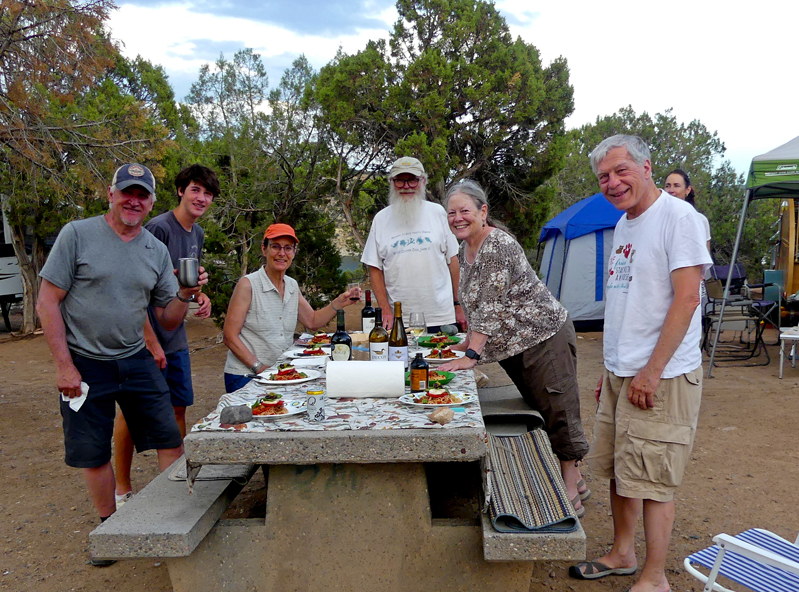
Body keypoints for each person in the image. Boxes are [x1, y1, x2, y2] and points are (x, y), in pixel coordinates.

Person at [37, 162, 208, 566]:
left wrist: (184, 294)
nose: (134, 200)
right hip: (85, 362)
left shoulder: (155, 249)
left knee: (170, 440)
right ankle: (109, 526)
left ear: (150, 203)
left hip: (135, 357)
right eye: (127, 192)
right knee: (93, 453)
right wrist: (64, 366)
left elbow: (166, 317)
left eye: (142, 194)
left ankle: (173, 522)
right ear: (111, 194)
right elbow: (47, 301)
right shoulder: (77, 235)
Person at [569, 135, 710, 592]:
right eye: (604, 177)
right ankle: (622, 553)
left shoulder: (680, 218)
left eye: (621, 171)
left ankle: (655, 577)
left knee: (652, 478)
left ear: (646, 166)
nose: (613, 183)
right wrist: (614, 368)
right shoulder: (626, 225)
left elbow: (687, 299)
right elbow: (630, 302)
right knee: (618, 471)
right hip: (623, 372)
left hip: (662, 376)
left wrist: (651, 372)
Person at [436, 180, 590, 513]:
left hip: (542, 335)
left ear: (483, 211)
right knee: (543, 406)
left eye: (465, 211)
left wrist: (472, 356)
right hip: (516, 345)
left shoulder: (496, 245)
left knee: (558, 408)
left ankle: (569, 489)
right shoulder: (468, 249)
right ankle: (576, 478)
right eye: (452, 212)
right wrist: (465, 344)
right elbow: (477, 307)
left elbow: (492, 305)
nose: (458, 218)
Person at [111, 164, 218, 509]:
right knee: (131, 413)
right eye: (195, 190)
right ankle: (122, 489)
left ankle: (173, 485)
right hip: (143, 339)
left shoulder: (196, 233)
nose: (201, 198)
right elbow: (134, 289)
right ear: (180, 191)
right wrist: (150, 340)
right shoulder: (158, 228)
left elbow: (181, 284)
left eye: (207, 193)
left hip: (175, 337)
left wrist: (201, 295)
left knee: (177, 408)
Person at [222, 223, 360, 393]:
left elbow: (312, 321)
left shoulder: (292, 285)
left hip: (279, 375)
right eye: (275, 247)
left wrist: (339, 302)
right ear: (264, 250)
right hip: (246, 376)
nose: (282, 253)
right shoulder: (248, 285)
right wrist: (259, 367)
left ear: (294, 253)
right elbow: (229, 336)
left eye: (288, 248)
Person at [361, 156, 465, 332]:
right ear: (391, 182)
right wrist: (385, 309)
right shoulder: (381, 219)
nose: (406, 187)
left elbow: (453, 261)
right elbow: (375, 269)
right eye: (400, 181)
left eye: (412, 181)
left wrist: (458, 304)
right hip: (399, 320)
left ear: (423, 181)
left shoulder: (438, 212)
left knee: (446, 359)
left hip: (441, 316)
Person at [663, 168, 712, 252]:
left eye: (676, 186)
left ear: (687, 190)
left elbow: (704, 255)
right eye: (668, 186)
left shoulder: (700, 220)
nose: (671, 190)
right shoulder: (656, 217)